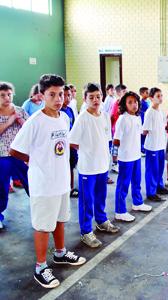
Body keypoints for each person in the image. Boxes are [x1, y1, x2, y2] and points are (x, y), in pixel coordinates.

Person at [10, 74, 86, 289]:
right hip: (43, 184)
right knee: (43, 226)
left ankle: (60, 253)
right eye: (52, 94)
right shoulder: (35, 121)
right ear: (42, 96)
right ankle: (40, 266)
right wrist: (36, 160)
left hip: (61, 181)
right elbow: (15, 150)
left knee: (60, 219)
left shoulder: (64, 117)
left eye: (61, 94)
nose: (58, 98)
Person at [69, 83, 120, 248]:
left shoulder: (104, 116)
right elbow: (73, 142)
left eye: (98, 96)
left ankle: (101, 220)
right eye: (91, 97)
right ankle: (86, 231)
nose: (95, 100)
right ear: (85, 99)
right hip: (88, 168)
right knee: (86, 200)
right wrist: (88, 152)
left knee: (100, 196)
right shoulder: (83, 118)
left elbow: (106, 139)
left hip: (102, 166)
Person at [113, 91, 152, 222]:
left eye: (135, 102)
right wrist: (116, 157)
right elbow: (116, 140)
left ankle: (137, 203)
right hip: (125, 158)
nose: (134, 104)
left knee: (136, 181)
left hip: (136, 156)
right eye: (130, 102)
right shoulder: (122, 119)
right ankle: (120, 211)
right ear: (124, 104)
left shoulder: (137, 117)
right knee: (123, 185)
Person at [0, 82, 29, 229]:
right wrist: (10, 121)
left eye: (9, 94)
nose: (6, 97)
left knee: (31, 182)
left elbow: (31, 129)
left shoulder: (20, 110)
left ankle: (40, 209)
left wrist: (20, 120)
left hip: (20, 154)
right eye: (3, 95)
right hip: (2, 156)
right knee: (2, 187)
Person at [143, 87, 168, 201]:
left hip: (160, 145)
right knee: (152, 170)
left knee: (160, 168)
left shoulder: (160, 111)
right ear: (151, 98)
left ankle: (159, 186)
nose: (160, 98)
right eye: (158, 96)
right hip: (152, 147)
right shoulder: (150, 112)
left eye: (161, 95)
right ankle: (151, 192)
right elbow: (145, 131)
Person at [61, 85, 79, 198]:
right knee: (63, 166)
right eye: (65, 95)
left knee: (71, 166)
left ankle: (71, 188)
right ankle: (64, 188)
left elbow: (73, 126)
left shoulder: (70, 109)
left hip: (71, 143)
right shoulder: (59, 111)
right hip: (62, 145)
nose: (67, 98)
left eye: (69, 95)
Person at [110, 84, 127, 173]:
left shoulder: (127, 102)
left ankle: (121, 161)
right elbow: (112, 116)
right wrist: (112, 128)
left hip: (125, 129)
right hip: (116, 129)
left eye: (126, 91)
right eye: (124, 92)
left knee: (122, 146)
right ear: (118, 93)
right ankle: (114, 163)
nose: (126, 93)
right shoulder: (116, 103)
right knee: (115, 146)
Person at [139, 87, 150, 155]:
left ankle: (144, 148)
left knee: (146, 135)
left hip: (146, 119)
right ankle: (141, 149)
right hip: (143, 120)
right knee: (142, 135)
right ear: (141, 94)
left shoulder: (148, 102)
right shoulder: (141, 102)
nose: (148, 94)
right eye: (146, 92)